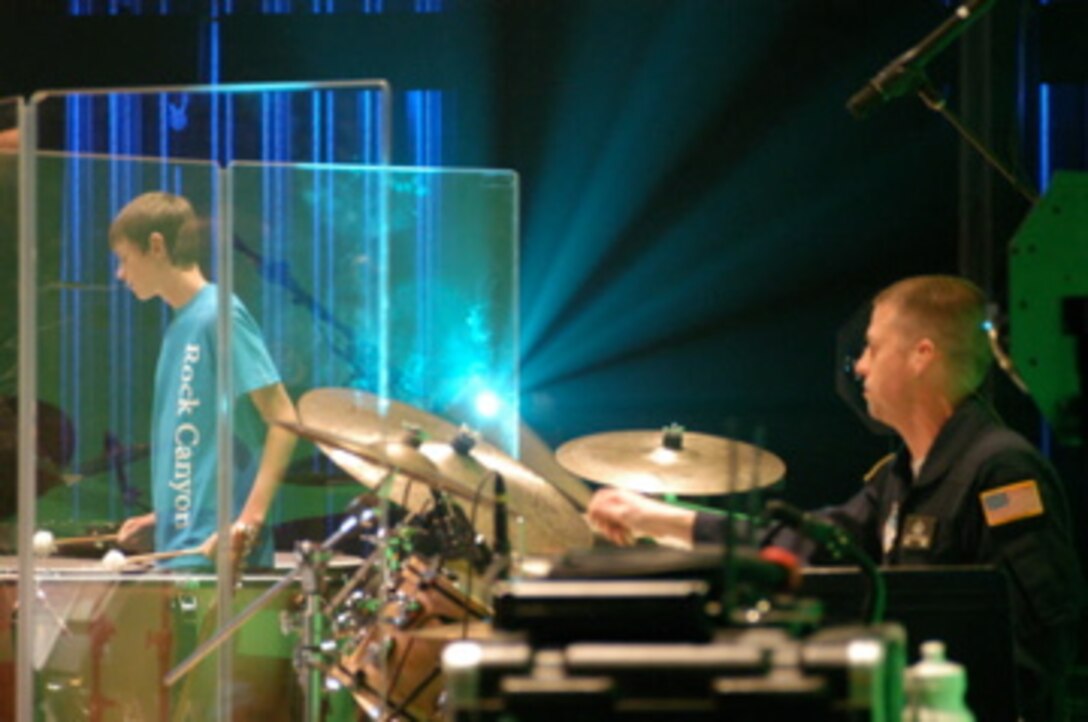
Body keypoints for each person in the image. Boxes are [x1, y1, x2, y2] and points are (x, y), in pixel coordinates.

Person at [587, 274, 1084, 721]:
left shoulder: (1000, 472)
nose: (862, 367)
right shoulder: (900, 477)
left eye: (872, 347)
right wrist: (655, 517)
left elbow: (1041, 645)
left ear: (921, 355)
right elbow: (808, 543)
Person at [112, 191, 297, 572]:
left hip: (221, 555)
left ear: (157, 246)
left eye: (125, 259)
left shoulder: (219, 314)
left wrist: (248, 522)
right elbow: (196, 445)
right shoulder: (181, 325)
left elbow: (285, 420)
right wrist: (166, 518)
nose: (121, 274)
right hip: (184, 548)